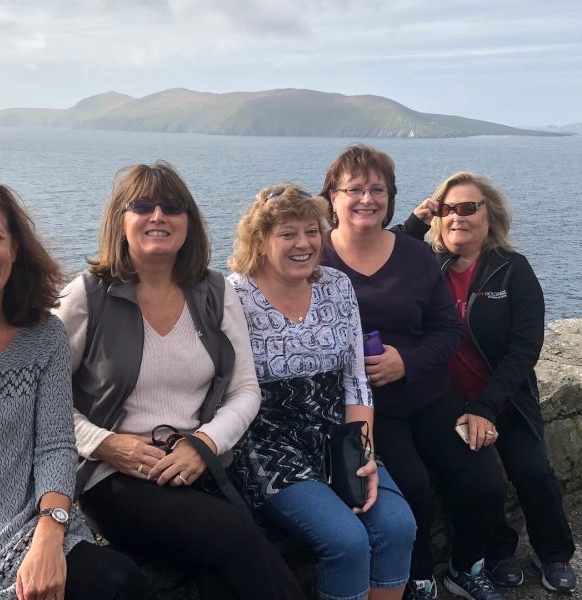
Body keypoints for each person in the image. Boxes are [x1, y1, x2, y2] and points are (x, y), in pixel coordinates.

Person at [54, 161, 305, 600]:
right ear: (121, 220)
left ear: (189, 221)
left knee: (218, 579)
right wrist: (105, 443)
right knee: (233, 533)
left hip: (195, 466)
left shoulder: (215, 292)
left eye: (172, 207)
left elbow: (245, 389)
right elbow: (47, 396)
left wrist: (203, 443)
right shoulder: (88, 295)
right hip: (115, 477)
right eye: (143, 205)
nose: (158, 216)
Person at [319, 145, 508, 600]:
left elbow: (447, 330)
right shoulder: (316, 257)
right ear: (332, 197)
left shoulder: (415, 254)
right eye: (355, 189)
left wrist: (407, 362)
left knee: (485, 483)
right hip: (370, 410)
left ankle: (465, 567)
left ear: (391, 197)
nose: (367, 198)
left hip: (430, 395)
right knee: (414, 491)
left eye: (377, 189)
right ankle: (417, 576)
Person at [228, 183, 417, 600]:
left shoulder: (336, 285)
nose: (303, 243)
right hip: (266, 444)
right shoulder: (232, 296)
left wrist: (363, 452)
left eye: (312, 231)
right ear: (260, 241)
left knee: (397, 526)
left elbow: (355, 379)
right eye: (287, 233)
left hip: (337, 437)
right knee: (346, 541)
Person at [410, 172, 576, 594]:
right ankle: (498, 553)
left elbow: (525, 346)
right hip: (450, 403)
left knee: (533, 472)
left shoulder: (511, 269)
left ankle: (553, 552)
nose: (457, 217)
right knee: (480, 478)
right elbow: (383, 246)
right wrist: (416, 221)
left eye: (469, 208)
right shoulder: (429, 264)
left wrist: (486, 405)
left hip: (505, 399)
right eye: (447, 208)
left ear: (491, 216)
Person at [0, 179, 144, 600]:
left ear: (14, 248)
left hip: (33, 517)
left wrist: (49, 531)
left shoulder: (43, 337)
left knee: (120, 583)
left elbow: (55, 444)